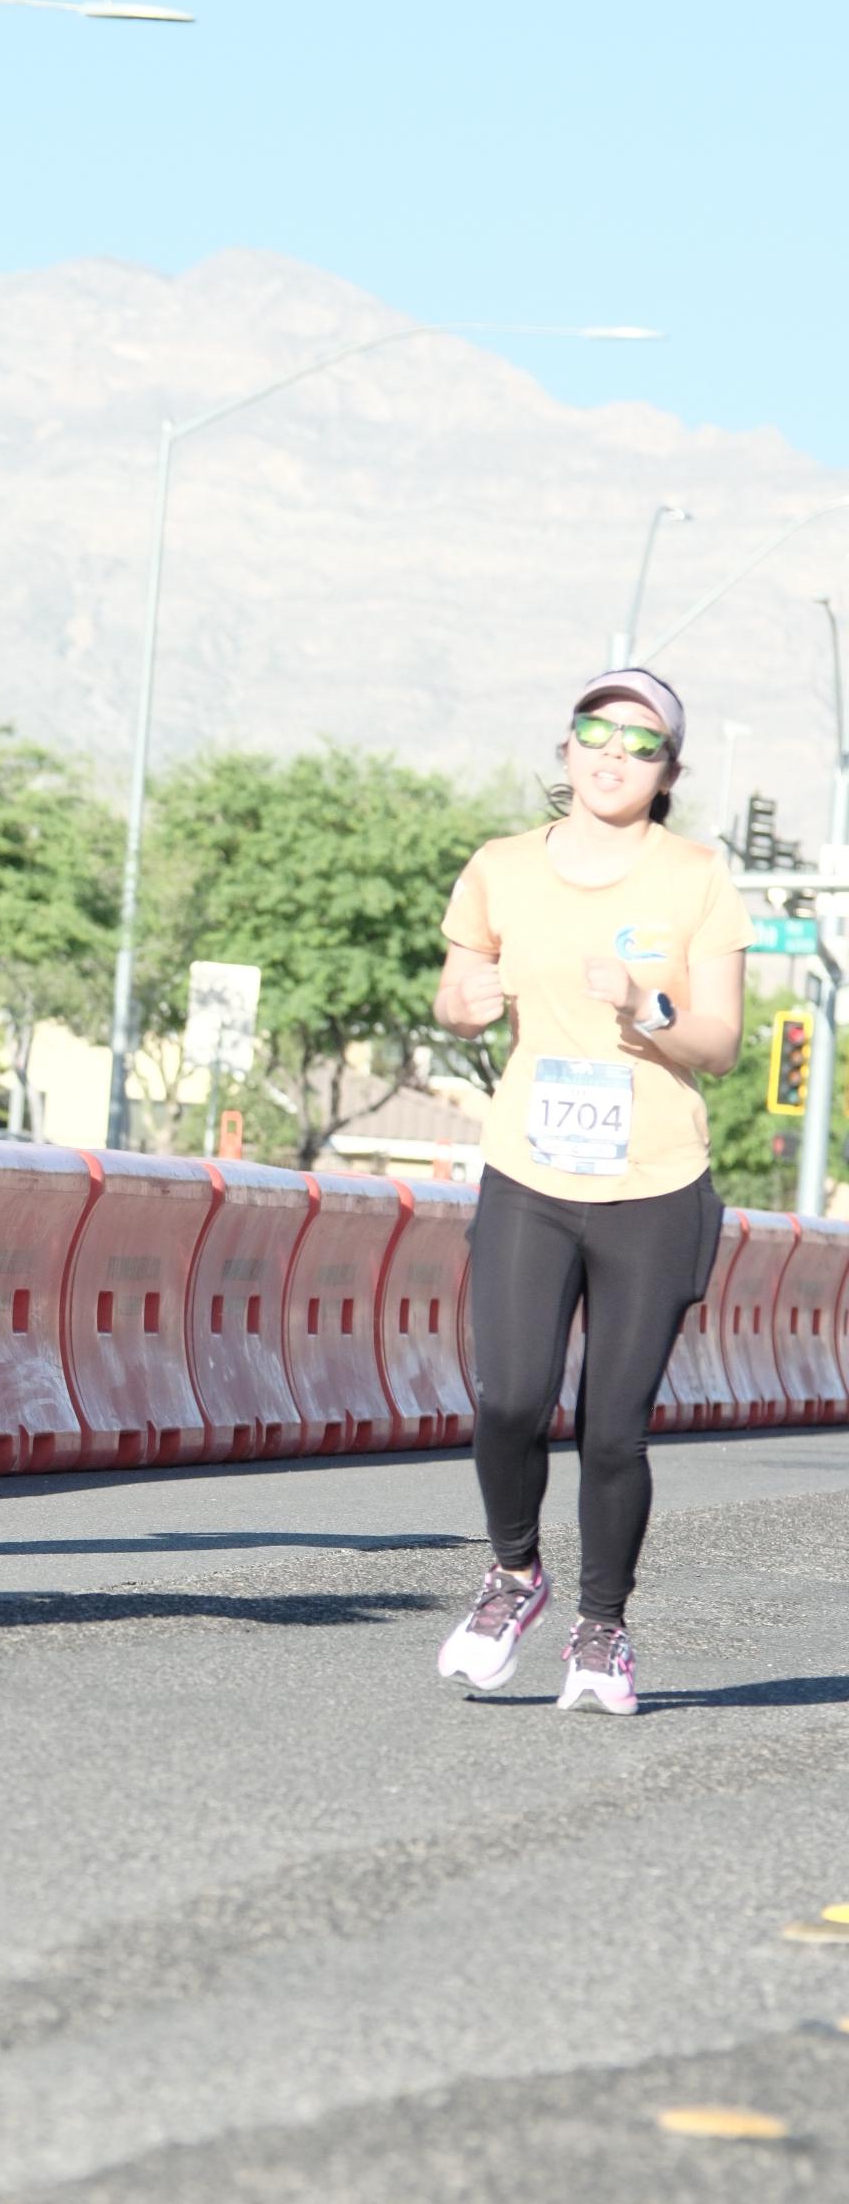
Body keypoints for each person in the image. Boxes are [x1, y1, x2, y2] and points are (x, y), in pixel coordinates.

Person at [432, 663, 747, 1714]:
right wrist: (465, 1006)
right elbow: (453, 993)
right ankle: (513, 1576)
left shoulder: (697, 876)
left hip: (655, 1185)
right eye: (596, 732)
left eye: (643, 743)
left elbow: (721, 1043)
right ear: (566, 749)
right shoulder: (501, 867)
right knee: (510, 1399)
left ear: (669, 773)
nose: (616, 754)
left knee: (613, 1429)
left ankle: (603, 1630)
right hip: (529, 1171)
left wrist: (650, 1006)